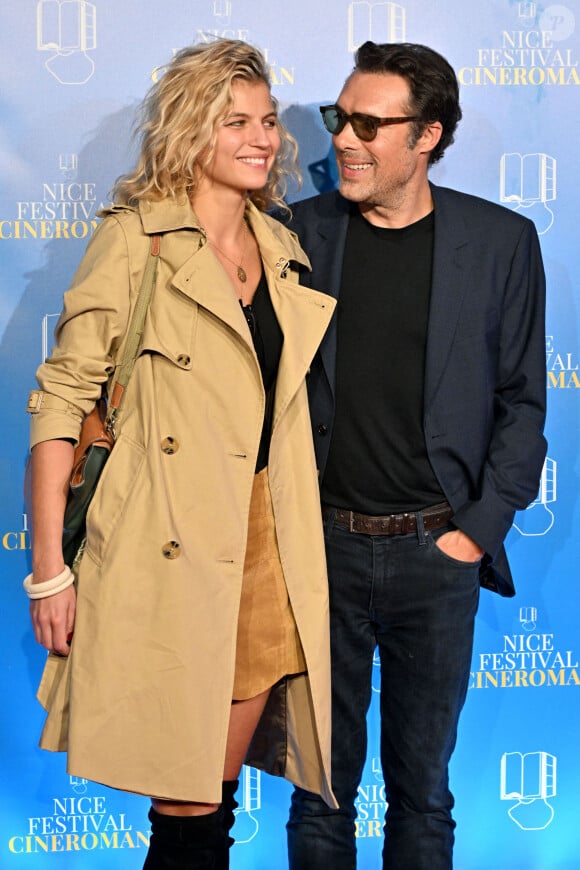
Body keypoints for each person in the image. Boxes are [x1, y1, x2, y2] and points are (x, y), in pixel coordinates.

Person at [24, 39, 337, 870]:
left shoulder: (280, 248)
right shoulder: (138, 241)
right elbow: (61, 402)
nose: (262, 137)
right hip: (167, 545)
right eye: (235, 120)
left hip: (265, 541)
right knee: (187, 801)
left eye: (268, 121)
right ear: (189, 130)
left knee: (214, 796)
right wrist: (49, 568)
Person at [285, 41, 547, 870]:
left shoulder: (500, 241)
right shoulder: (298, 231)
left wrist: (476, 532)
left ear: (427, 135)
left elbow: (523, 404)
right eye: (339, 118)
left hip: (437, 556)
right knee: (318, 795)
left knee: (423, 797)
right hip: (318, 551)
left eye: (369, 123)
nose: (345, 140)